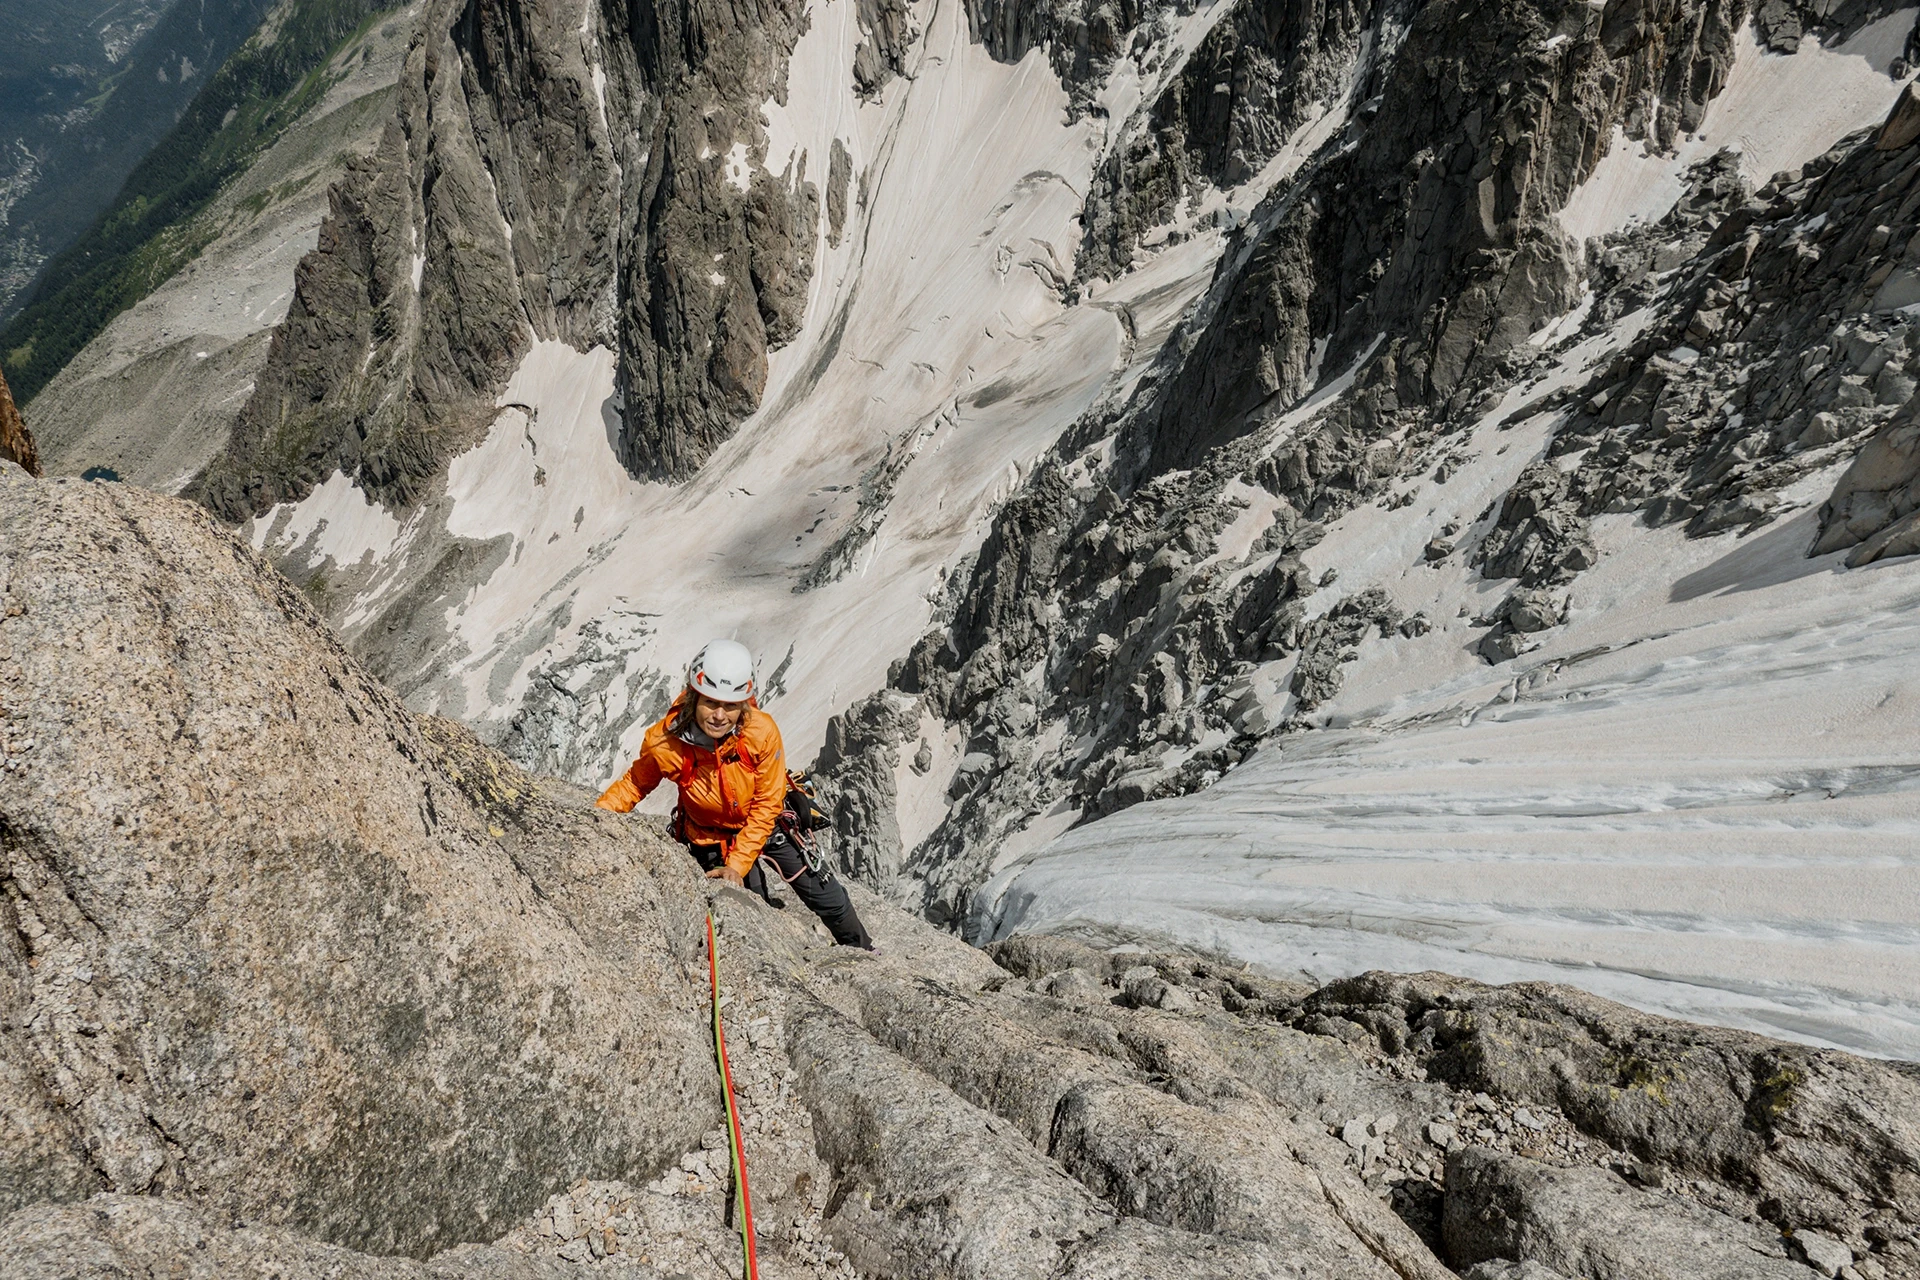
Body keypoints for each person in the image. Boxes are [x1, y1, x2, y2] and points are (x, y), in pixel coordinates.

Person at [596, 639, 873, 950]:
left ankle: (865, 952)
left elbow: (768, 802)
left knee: (831, 901)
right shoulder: (666, 742)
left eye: (730, 705)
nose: (719, 714)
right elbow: (635, 784)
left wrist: (738, 863)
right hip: (707, 836)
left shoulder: (760, 732)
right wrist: (596, 819)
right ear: (694, 697)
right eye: (711, 702)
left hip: (765, 824)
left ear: (744, 703)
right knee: (751, 913)